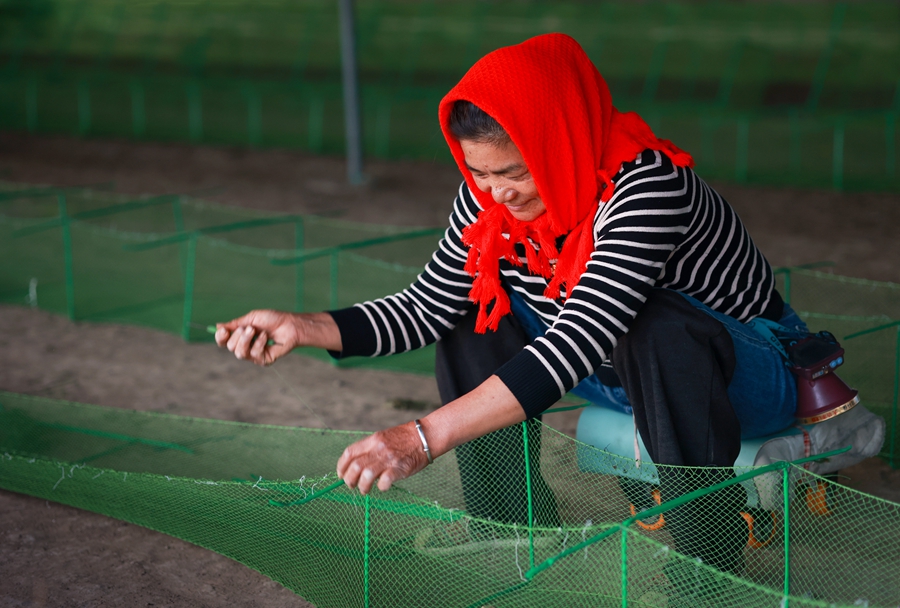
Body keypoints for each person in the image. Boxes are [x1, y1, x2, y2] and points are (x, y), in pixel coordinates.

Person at [216, 33, 806, 582]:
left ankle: (709, 559)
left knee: (650, 321)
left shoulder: (646, 187)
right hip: (620, 373)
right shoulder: (488, 201)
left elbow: (579, 337)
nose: (497, 192)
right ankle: (509, 526)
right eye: (479, 172)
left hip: (748, 381)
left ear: (562, 141)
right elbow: (426, 305)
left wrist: (422, 438)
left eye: (516, 172)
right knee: (475, 306)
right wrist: (304, 326)